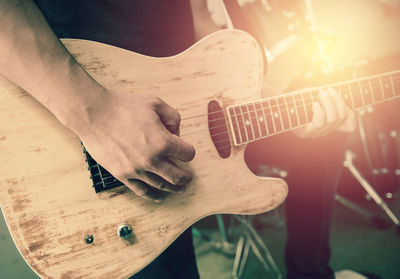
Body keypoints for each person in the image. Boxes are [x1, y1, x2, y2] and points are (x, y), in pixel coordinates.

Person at [0, 0, 358, 278]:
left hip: (176, 136)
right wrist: (95, 116)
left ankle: (310, 271)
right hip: (81, 126)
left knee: (324, 143)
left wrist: (285, 110)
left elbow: (205, 37)